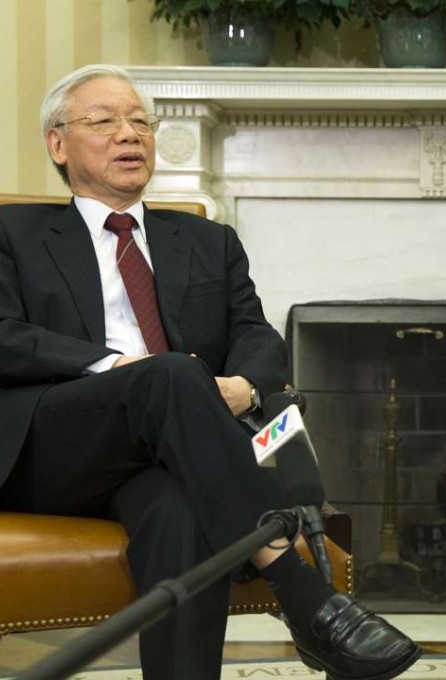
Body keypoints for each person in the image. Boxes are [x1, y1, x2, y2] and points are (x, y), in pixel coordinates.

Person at [0, 64, 421, 680]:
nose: (130, 135)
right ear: (58, 144)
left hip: (174, 448)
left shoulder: (207, 241)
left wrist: (243, 386)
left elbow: (255, 333)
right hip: (49, 448)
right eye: (105, 121)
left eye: (141, 122)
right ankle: (299, 589)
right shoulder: (12, 233)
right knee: (168, 375)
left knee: (177, 511)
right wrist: (122, 366)